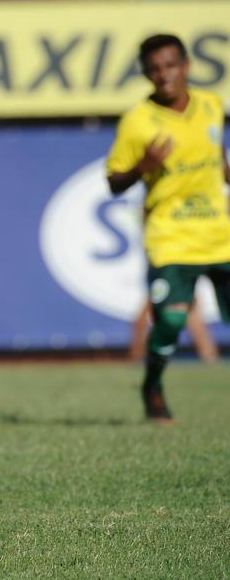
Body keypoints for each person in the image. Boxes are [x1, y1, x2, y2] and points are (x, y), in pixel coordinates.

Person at [106, 33, 230, 423]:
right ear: (146, 74)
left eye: (170, 65)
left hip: (220, 235)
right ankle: (152, 386)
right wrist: (143, 165)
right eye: (154, 69)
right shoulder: (138, 122)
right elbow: (114, 182)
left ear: (187, 66)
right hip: (171, 238)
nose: (164, 75)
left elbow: (217, 158)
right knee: (173, 320)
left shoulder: (211, 106)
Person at [128, 298, 218, 363]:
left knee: (191, 311)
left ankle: (210, 358)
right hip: (165, 282)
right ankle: (137, 358)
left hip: (177, 283)